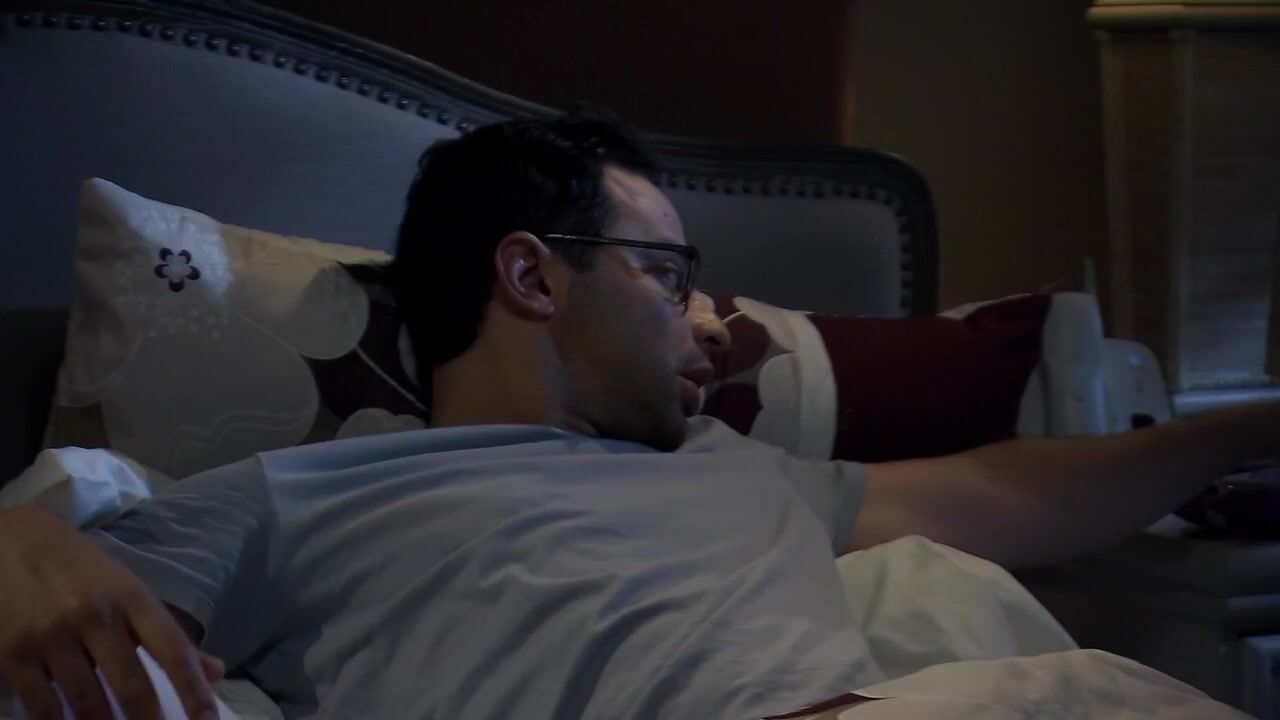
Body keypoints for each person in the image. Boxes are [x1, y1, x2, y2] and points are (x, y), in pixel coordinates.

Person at [0, 111, 1267, 720]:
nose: (709, 325)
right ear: (531, 275)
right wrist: (18, 537)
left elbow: (1008, 492)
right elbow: (71, 613)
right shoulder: (304, 496)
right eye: (666, 275)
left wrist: (1254, 428)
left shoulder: (738, 470)